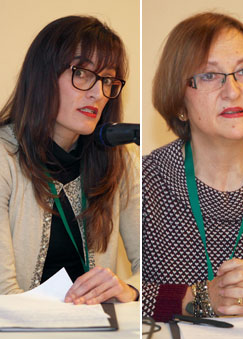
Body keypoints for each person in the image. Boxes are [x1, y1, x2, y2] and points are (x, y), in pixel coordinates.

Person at [141, 12, 243, 322]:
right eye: (209, 75)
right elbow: (126, 296)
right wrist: (199, 297)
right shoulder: (146, 180)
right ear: (179, 101)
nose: (232, 91)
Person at [0, 16, 140, 304]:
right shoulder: (5, 158)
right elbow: (4, 295)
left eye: (107, 80)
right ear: (43, 77)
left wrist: (129, 290)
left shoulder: (122, 161)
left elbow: (155, 267)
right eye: (82, 73)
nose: (97, 93)